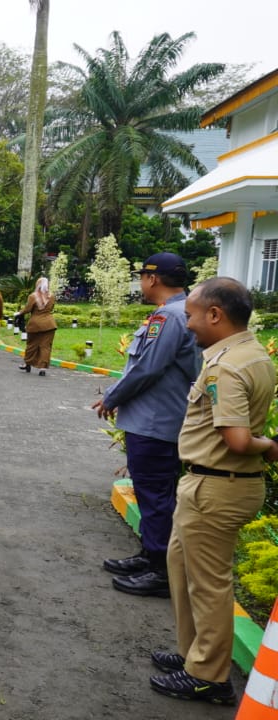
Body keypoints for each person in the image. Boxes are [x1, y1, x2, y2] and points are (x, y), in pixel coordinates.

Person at [148, 277, 278, 706]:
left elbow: (238, 440)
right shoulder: (249, 353)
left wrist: (270, 447)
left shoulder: (228, 364)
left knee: (207, 584)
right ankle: (193, 656)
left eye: (191, 316)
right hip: (211, 482)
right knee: (183, 570)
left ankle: (209, 677)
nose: (187, 325)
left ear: (216, 315)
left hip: (218, 484)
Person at [93, 253, 199, 598]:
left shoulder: (169, 316)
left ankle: (161, 570)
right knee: (156, 494)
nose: (141, 283)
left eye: (142, 277)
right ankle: (150, 554)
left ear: (152, 279)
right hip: (161, 419)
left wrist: (111, 397)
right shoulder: (181, 312)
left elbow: (147, 368)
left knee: (154, 496)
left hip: (155, 422)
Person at [18, 278, 56, 375]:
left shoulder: (33, 296)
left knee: (31, 345)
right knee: (46, 347)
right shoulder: (51, 296)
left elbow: (28, 309)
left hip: (35, 324)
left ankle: (27, 364)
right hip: (49, 324)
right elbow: (51, 308)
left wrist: (19, 313)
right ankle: (43, 368)